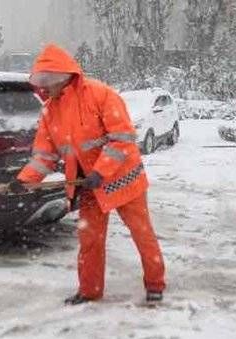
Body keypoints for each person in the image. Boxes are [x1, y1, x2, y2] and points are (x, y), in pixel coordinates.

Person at [10, 44, 166, 305]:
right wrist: (23, 181)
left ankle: (155, 284)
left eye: (46, 82)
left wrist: (100, 170)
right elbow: (45, 156)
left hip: (123, 180)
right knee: (90, 240)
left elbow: (123, 140)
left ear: (61, 77)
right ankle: (89, 291)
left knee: (142, 234)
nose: (43, 89)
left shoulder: (100, 95)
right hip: (87, 185)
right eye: (40, 83)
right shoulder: (50, 111)